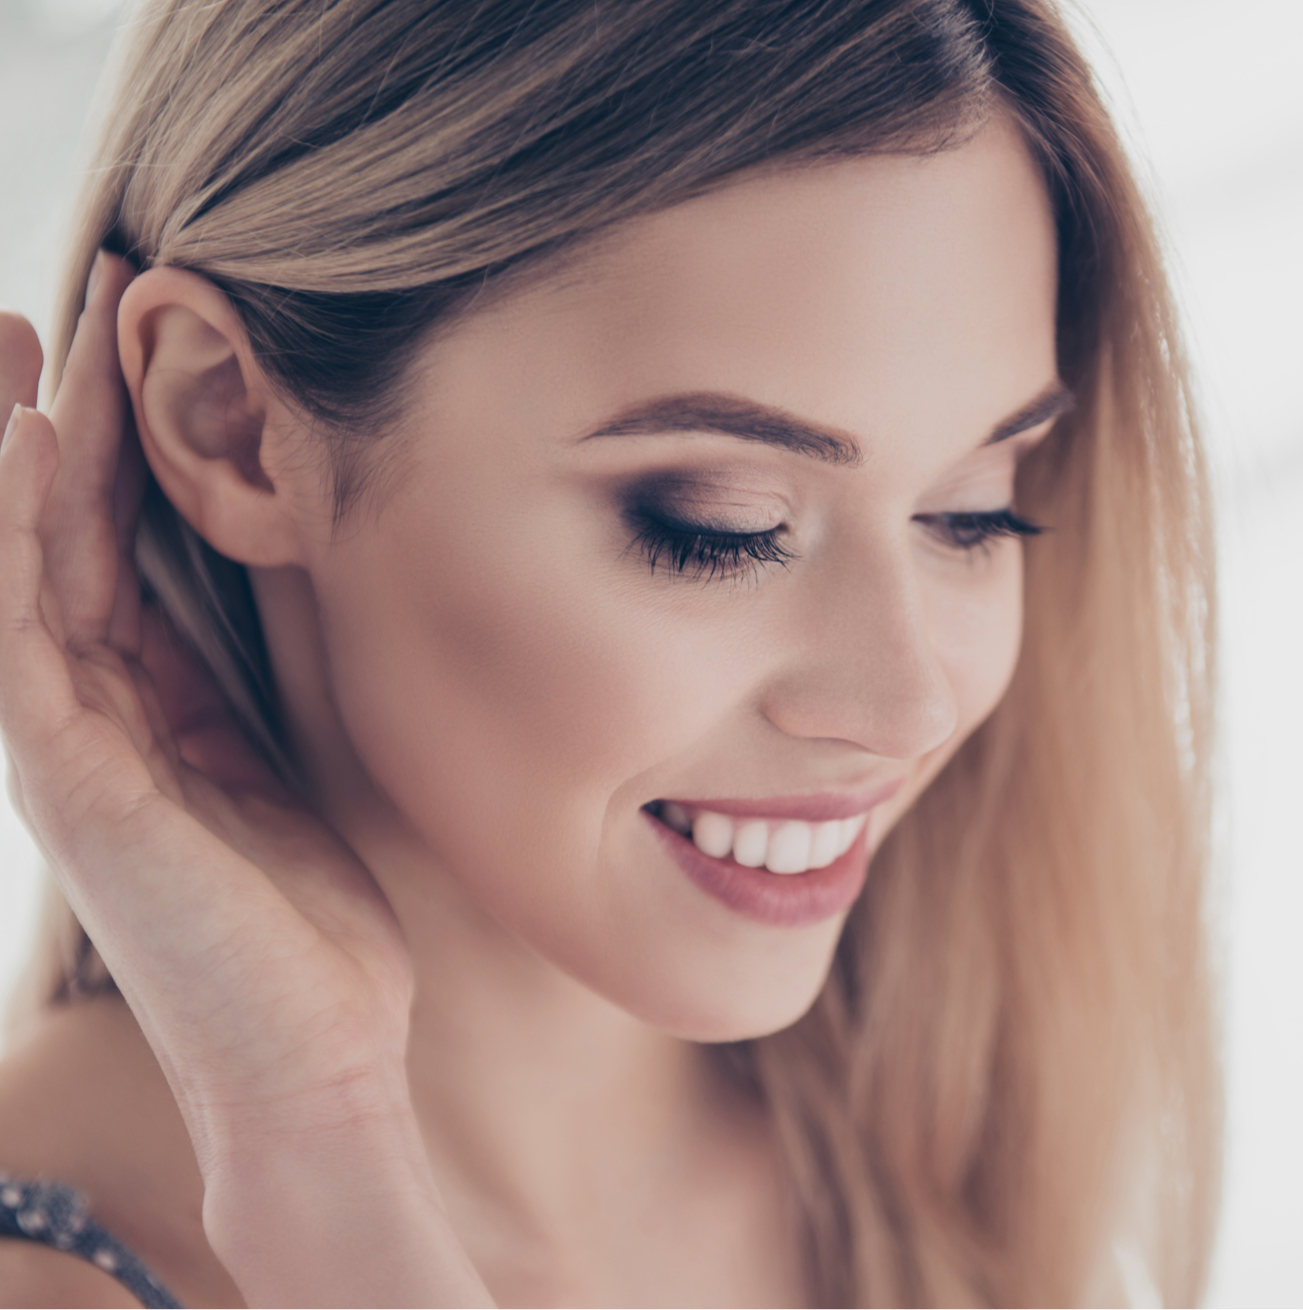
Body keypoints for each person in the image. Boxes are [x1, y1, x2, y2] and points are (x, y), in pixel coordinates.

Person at [0, 0, 1220, 1304]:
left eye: (971, 509)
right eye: (720, 528)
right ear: (229, 421)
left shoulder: (935, 1163)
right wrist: (313, 1139)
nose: (908, 700)